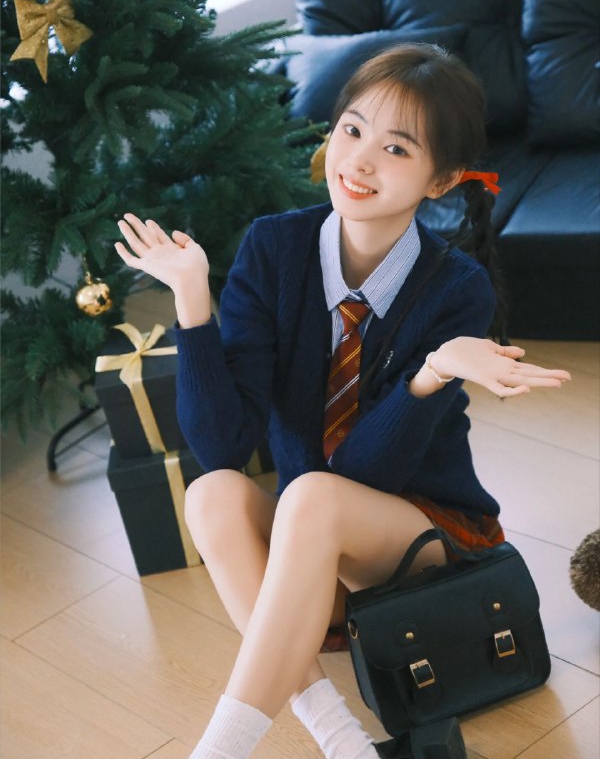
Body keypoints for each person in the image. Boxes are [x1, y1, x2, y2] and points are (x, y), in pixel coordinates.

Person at [115, 44, 570, 759]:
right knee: (211, 495)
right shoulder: (274, 248)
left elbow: (365, 477)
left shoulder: (457, 289)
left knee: (311, 497)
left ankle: (220, 751)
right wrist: (193, 302)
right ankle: (343, 741)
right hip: (319, 544)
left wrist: (429, 375)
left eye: (396, 148)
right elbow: (222, 446)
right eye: (352, 130)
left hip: (427, 538)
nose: (358, 161)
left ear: (441, 180)